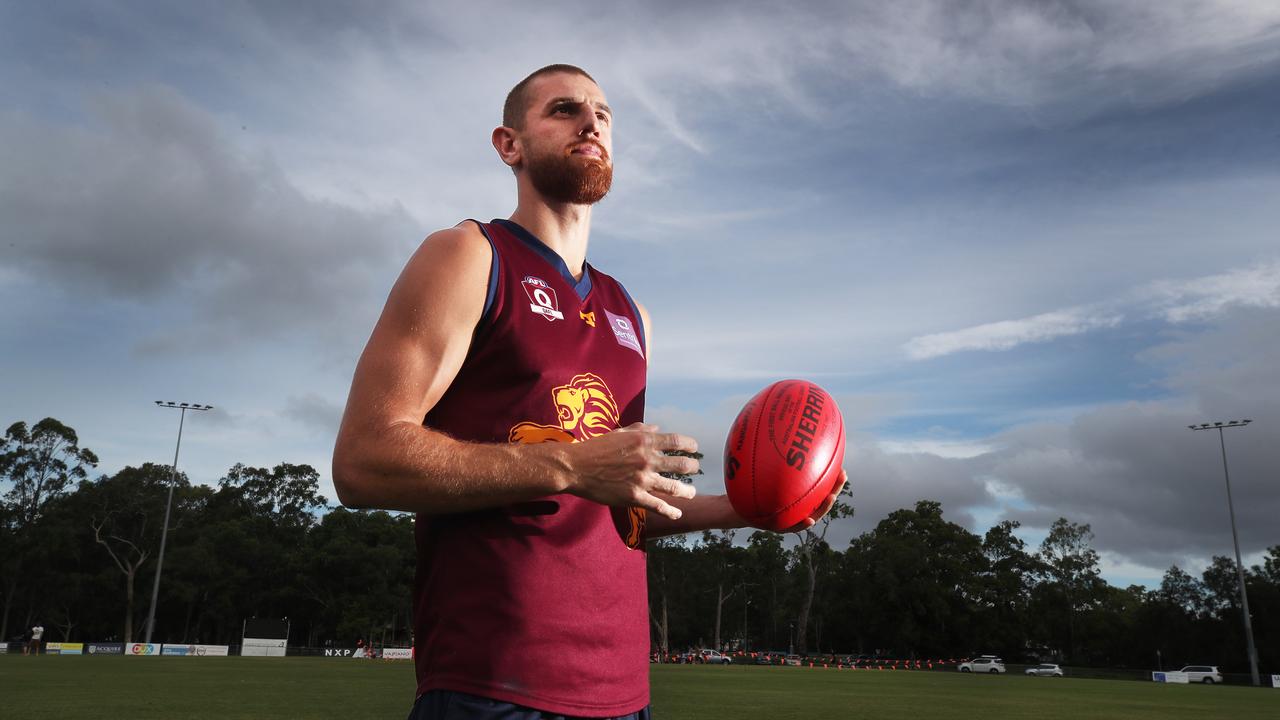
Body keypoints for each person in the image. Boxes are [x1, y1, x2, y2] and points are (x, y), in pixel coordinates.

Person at [333, 64, 844, 719]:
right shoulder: (468, 256)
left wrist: (753, 506)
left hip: (621, 692)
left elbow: (620, 506)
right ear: (508, 144)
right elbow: (363, 460)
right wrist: (570, 463)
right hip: (493, 683)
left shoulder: (632, 314)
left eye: (603, 113)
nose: (592, 121)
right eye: (564, 109)